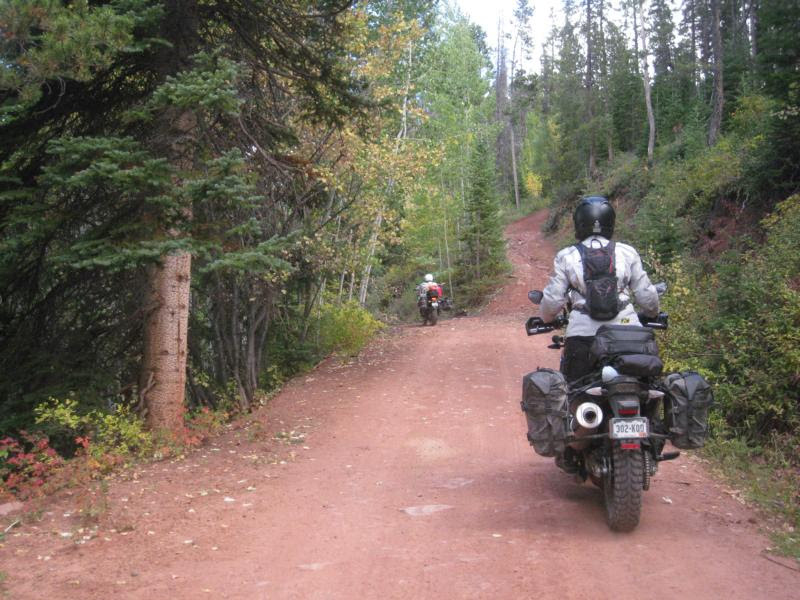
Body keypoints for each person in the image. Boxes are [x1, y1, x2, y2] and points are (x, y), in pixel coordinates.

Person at [539, 196, 660, 384]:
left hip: (582, 337)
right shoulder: (627, 252)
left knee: (573, 393)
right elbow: (646, 296)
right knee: (646, 389)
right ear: (610, 222)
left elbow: (553, 299)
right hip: (629, 335)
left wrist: (547, 318)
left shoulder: (567, 256)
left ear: (579, 223)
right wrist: (652, 314)